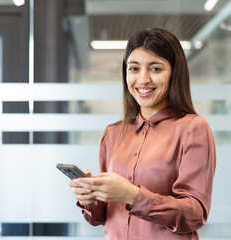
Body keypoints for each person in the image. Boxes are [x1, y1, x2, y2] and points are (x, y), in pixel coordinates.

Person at [69, 28, 216, 239]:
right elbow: (102, 216)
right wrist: (89, 200)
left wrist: (132, 195)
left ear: (174, 72)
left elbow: (195, 214)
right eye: (134, 68)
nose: (143, 79)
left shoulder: (193, 128)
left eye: (156, 68)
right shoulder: (112, 133)